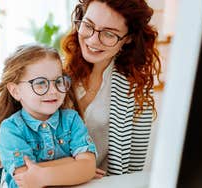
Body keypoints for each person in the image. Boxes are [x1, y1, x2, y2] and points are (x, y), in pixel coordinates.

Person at [61, 0, 161, 175]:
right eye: (88, 25)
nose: (93, 39)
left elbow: (133, 169)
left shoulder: (137, 89)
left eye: (109, 34)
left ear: (128, 38)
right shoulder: (56, 74)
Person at [0, 44, 97, 188]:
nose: (53, 91)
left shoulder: (71, 120)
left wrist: (43, 175)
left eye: (58, 81)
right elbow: (26, 179)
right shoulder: (11, 129)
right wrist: (74, 165)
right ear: (15, 91)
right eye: (40, 83)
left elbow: (88, 167)